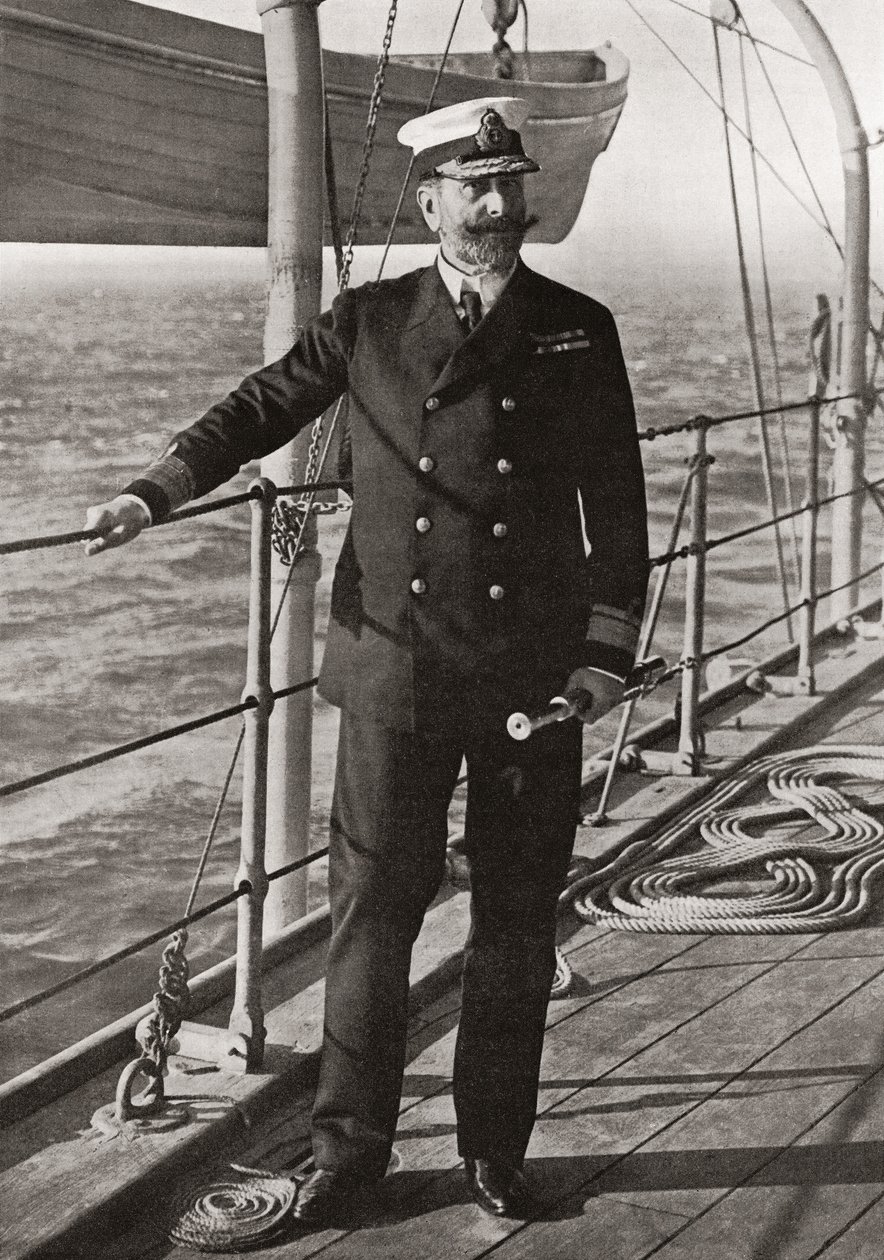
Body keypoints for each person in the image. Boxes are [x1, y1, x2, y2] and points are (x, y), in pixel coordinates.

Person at [85, 97, 648, 1224]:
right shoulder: (369, 320)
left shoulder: (577, 327)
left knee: (514, 921)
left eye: (509, 185)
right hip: (397, 667)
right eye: (473, 189)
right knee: (373, 915)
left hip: (532, 677)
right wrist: (156, 491)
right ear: (430, 202)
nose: (497, 205)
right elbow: (262, 406)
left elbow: (618, 507)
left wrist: (602, 655)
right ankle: (349, 1153)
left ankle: (494, 1150)